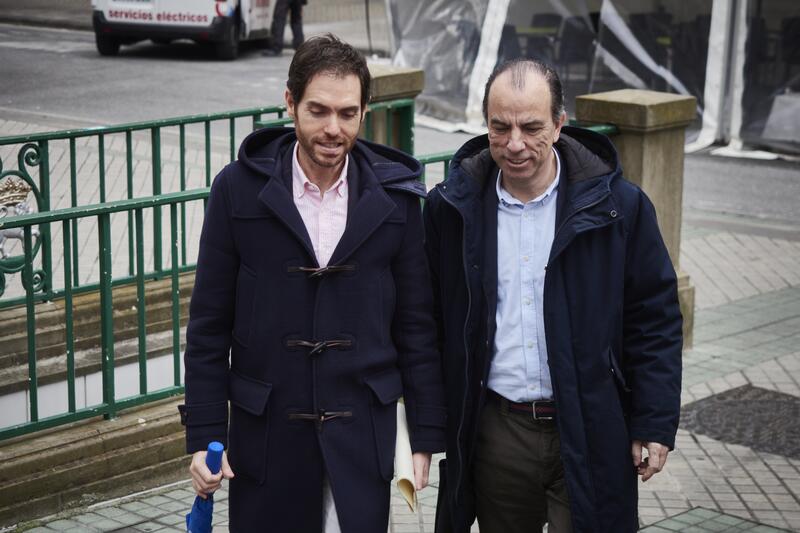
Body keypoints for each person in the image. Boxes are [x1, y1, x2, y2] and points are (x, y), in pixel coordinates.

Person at [179, 33, 446, 533]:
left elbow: (416, 326)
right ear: (290, 102)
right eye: (318, 111)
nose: (333, 129)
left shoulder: (397, 200)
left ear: (364, 111)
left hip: (363, 437)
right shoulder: (236, 190)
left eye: (347, 113)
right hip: (268, 439)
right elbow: (209, 326)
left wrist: (425, 435)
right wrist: (204, 434)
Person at [423, 58, 683, 533]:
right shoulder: (450, 209)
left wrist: (653, 420)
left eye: (531, 127)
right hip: (497, 432)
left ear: (560, 125)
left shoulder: (619, 207)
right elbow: (428, 321)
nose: (514, 144)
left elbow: (654, 318)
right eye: (500, 127)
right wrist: (427, 427)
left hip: (591, 423)